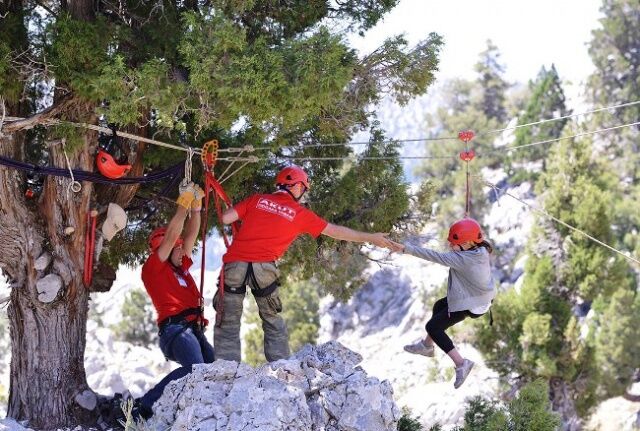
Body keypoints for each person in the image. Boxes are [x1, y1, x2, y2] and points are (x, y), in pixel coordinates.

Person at [214, 165, 395, 362]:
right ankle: (280, 366)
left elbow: (226, 218)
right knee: (272, 320)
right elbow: (335, 231)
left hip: (234, 265)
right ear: (298, 187)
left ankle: (226, 369)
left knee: (228, 320)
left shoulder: (257, 200)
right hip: (264, 269)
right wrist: (370, 237)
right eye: (303, 189)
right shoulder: (299, 213)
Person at [388, 218, 495, 389]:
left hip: (472, 304)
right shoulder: (480, 249)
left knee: (433, 327)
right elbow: (467, 237)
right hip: (481, 298)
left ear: (467, 243)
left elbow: (434, 256)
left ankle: (461, 363)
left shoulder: (462, 259)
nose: (451, 246)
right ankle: (427, 346)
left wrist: (404, 249)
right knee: (439, 306)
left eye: (454, 243)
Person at [141, 181, 214, 368]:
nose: (184, 252)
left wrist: (196, 209)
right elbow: (172, 236)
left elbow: (189, 237)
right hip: (175, 330)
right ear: (166, 250)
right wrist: (184, 202)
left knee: (215, 372)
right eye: (179, 248)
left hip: (193, 330)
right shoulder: (154, 269)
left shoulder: (180, 268)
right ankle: (159, 391)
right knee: (196, 372)